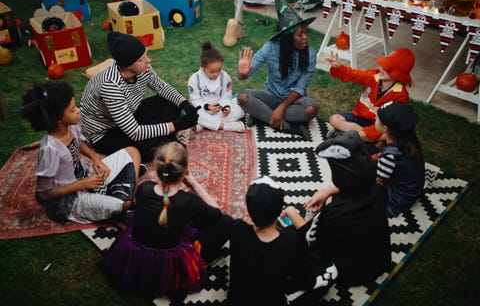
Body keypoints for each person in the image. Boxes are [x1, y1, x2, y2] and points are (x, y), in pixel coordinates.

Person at [100, 141, 234, 302]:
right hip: (167, 264)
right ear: (185, 171)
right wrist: (192, 183)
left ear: (156, 168)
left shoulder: (144, 188)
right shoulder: (188, 202)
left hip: (134, 253)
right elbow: (217, 213)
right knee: (227, 222)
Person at [21, 80, 142, 224]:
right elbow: (43, 194)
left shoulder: (72, 126)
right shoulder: (49, 150)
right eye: (72, 110)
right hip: (71, 200)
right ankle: (122, 199)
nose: (78, 110)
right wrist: (83, 184)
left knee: (133, 152)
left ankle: (120, 195)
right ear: (58, 120)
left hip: (87, 176)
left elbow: (79, 143)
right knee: (124, 205)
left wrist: (95, 158)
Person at [282, 130, 391, 286]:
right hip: (376, 261)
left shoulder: (337, 211)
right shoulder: (377, 190)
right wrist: (328, 191)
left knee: (288, 238)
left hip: (351, 273)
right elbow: (357, 186)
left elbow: (310, 238)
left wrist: (291, 211)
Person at [80, 31, 199, 163]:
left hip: (129, 113)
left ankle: (163, 138)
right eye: (140, 59)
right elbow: (134, 132)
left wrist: (185, 104)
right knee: (144, 149)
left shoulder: (143, 67)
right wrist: (177, 125)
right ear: (127, 65)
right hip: (105, 132)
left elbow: (161, 87)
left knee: (172, 101)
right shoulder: (110, 85)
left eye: (145, 55)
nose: (148, 60)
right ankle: (163, 139)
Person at [227, 176, 337, 306]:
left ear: (249, 209)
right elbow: (307, 281)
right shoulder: (291, 242)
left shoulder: (237, 228)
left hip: (236, 298)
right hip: (273, 299)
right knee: (331, 272)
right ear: (280, 210)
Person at [236, 0, 319, 141]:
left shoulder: (310, 54)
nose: (305, 38)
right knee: (242, 97)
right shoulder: (271, 47)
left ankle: (262, 115)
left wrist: (281, 108)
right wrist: (242, 73)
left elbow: (300, 88)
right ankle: (289, 127)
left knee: (311, 110)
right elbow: (244, 76)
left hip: (294, 100)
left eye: (306, 33)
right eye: (300, 34)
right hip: (271, 96)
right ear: (288, 37)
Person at [325, 47, 415, 142]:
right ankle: (359, 138)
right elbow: (353, 74)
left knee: (375, 134)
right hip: (357, 117)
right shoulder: (372, 75)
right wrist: (339, 67)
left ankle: (350, 136)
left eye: (388, 68)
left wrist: (369, 132)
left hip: (377, 125)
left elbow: (390, 123)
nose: (382, 68)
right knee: (334, 119)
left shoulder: (401, 96)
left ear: (399, 75)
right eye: (383, 65)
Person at [374, 101, 425, 217]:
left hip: (398, 198)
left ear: (385, 128)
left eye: (376, 119)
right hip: (413, 190)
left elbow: (377, 180)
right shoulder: (409, 143)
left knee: (359, 188)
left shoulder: (390, 156)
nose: (374, 120)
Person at [188, 41, 245, 133]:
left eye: (219, 70)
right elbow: (195, 100)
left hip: (220, 110)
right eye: (212, 71)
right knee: (193, 114)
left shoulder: (224, 76)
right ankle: (227, 126)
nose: (216, 74)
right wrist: (207, 107)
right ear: (203, 67)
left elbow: (226, 95)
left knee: (241, 110)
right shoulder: (194, 79)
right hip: (204, 110)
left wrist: (226, 107)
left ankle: (204, 125)